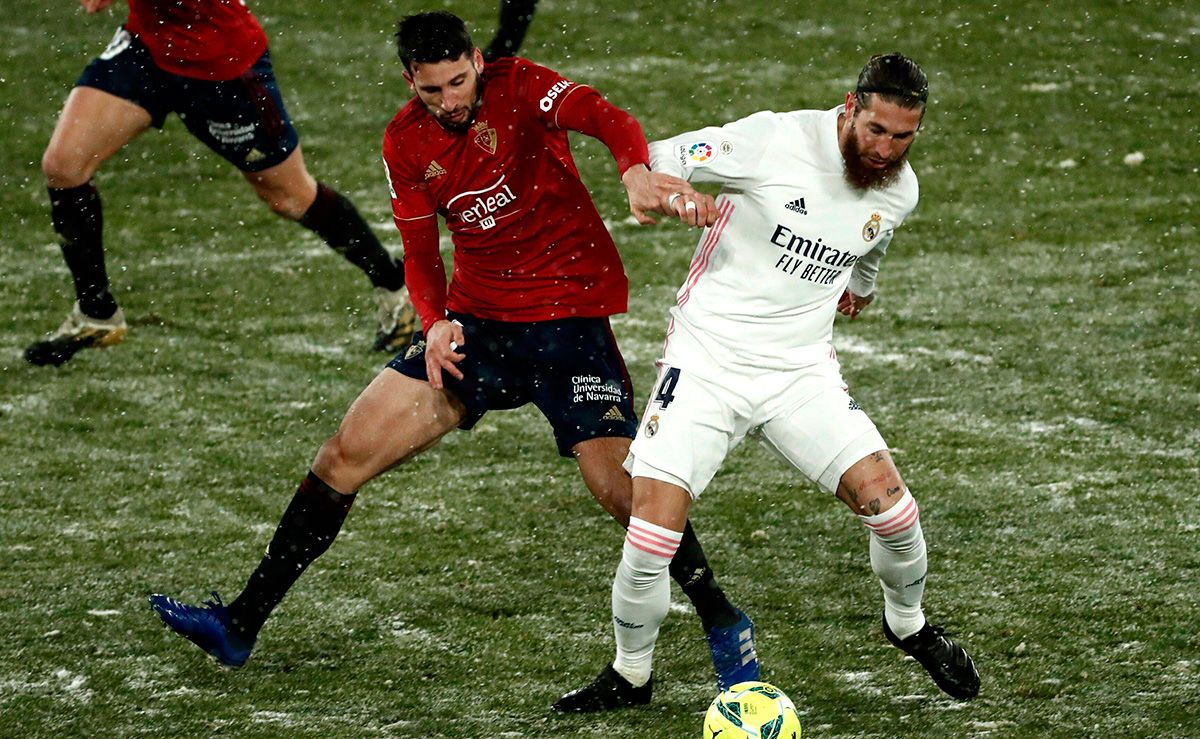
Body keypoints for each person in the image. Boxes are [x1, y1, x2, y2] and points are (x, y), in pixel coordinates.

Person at [148, 11, 760, 696]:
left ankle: (721, 618)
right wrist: (435, 322)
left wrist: (634, 171)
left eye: (459, 82)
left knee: (626, 493)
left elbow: (604, 114)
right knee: (341, 456)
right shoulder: (405, 142)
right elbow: (417, 252)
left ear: (476, 60)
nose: (450, 101)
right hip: (476, 329)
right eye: (432, 90)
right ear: (411, 81)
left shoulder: (521, 85)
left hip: (568, 326)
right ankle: (241, 621)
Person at [554, 53, 981, 712]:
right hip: (707, 364)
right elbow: (659, 157)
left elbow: (874, 239)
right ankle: (630, 673)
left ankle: (909, 625)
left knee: (894, 512)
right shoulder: (774, 140)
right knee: (651, 535)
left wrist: (861, 287)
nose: (885, 148)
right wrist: (667, 192)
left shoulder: (901, 187)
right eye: (876, 130)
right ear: (850, 106)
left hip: (800, 371)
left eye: (903, 136)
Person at [26, 0, 415, 367]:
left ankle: (394, 285)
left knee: (291, 197)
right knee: (64, 166)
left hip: (220, 64)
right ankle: (97, 312)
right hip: (148, 47)